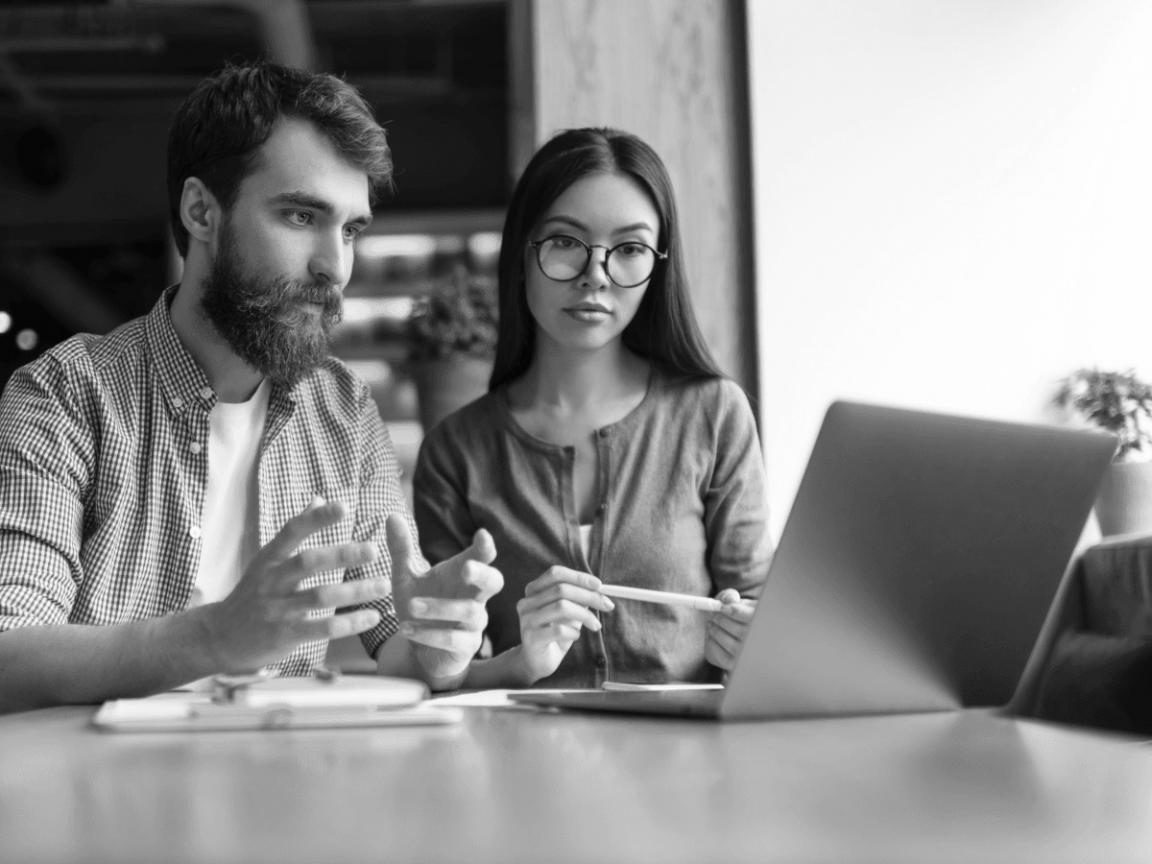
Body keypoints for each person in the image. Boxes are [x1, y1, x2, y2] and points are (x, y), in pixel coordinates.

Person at [0, 62, 502, 714]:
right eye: (301, 216)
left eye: (351, 229)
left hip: (278, 792)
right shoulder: (65, 395)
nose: (335, 266)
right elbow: (10, 653)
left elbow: (393, 640)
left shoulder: (345, 410)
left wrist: (437, 643)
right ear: (201, 210)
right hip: (101, 798)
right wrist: (215, 636)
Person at [413, 128, 772, 688]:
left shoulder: (713, 413)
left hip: (684, 762)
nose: (596, 276)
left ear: (658, 265)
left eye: (629, 250)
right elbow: (443, 670)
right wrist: (522, 662)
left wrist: (753, 645)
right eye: (565, 242)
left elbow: (760, 613)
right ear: (523, 253)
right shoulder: (456, 450)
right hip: (524, 762)